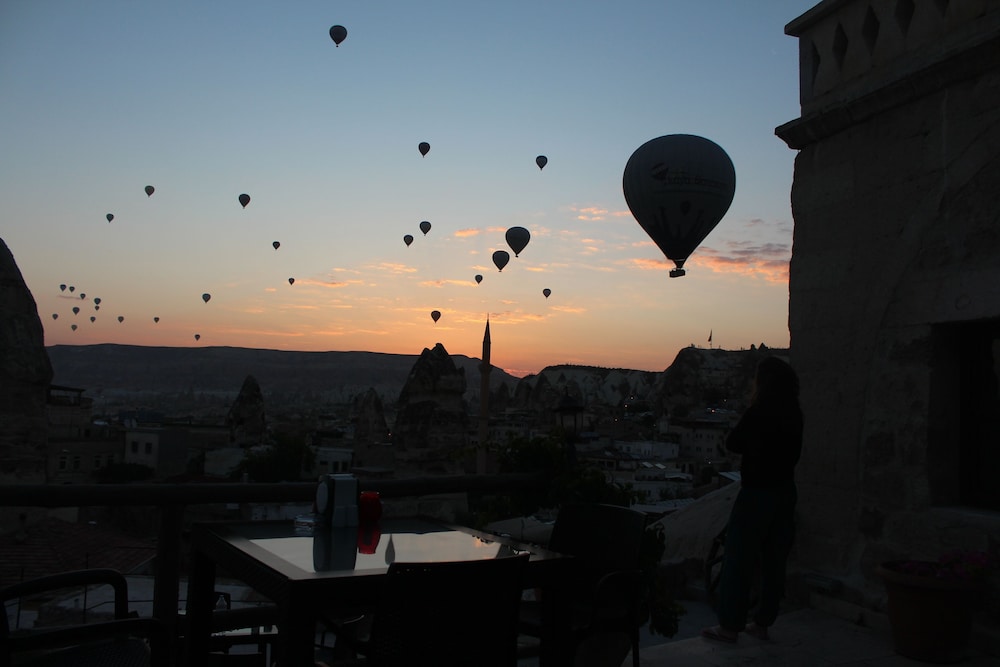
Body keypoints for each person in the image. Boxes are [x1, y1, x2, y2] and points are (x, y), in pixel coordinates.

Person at [702, 355, 803, 643]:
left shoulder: (759, 412)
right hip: (785, 492)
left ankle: (729, 626)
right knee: (775, 561)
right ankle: (762, 622)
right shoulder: (795, 413)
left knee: (738, 558)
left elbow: (733, 443)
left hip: (757, 492)